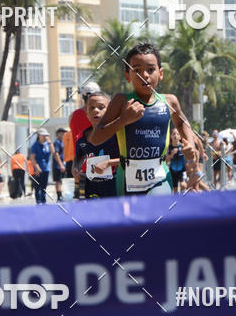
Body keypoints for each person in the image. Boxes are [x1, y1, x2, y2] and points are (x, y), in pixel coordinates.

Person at [89, 43, 195, 196]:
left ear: (161, 73)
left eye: (151, 70)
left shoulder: (170, 101)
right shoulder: (121, 101)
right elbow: (95, 138)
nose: (144, 75)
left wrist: (190, 143)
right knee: (133, 220)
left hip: (160, 177)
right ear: (127, 76)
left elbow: (181, 122)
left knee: (161, 217)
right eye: (137, 70)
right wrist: (123, 120)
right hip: (127, 180)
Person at [74, 92, 119, 198]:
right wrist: (75, 167)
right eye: (91, 108)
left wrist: (109, 163)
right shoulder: (82, 136)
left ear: (109, 111)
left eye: (101, 107)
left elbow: (131, 159)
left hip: (116, 189)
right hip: (92, 189)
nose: (96, 111)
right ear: (86, 113)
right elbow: (79, 156)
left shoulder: (118, 133)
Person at [29, 128, 60, 204]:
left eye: (47, 135)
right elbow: (32, 158)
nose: (45, 137)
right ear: (39, 136)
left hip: (46, 168)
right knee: (37, 186)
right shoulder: (35, 145)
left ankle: (43, 201)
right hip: (38, 169)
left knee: (44, 186)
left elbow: (53, 153)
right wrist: (37, 167)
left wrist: (49, 142)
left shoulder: (48, 144)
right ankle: (38, 201)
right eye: (44, 136)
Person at [52, 128, 67, 201]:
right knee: (58, 181)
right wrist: (61, 164)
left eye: (63, 133)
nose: (62, 134)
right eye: (61, 133)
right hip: (58, 165)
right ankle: (59, 196)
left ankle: (61, 195)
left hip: (62, 164)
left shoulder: (63, 142)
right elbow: (56, 154)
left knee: (61, 181)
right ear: (58, 134)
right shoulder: (57, 142)